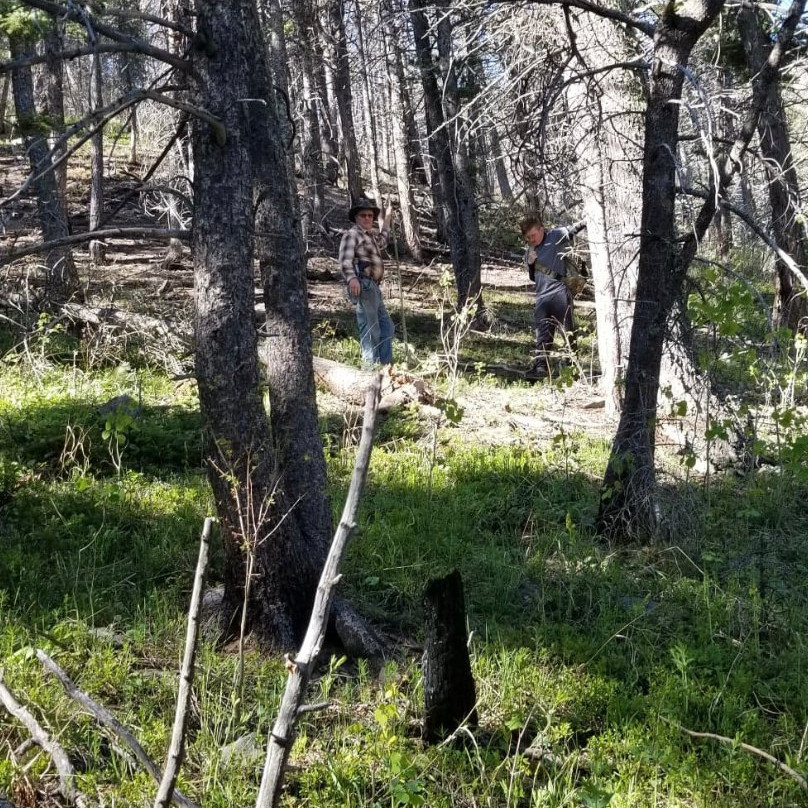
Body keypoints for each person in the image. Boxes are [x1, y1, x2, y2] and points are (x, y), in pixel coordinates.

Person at [520, 214, 586, 381]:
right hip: (542, 297)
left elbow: (573, 229)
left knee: (568, 333)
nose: (531, 239)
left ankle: (573, 369)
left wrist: (588, 219)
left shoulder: (555, 236)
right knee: (542, 335)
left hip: (560, 294)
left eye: (533, 235)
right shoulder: (530, 251)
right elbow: (533, 277)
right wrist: (530, 264)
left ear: (541, 229)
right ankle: (541, 369)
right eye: (528, 237)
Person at [339, 197, 395, 367]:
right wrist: (352, 279)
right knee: (371, 329)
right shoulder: (352, 235)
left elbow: (384, 240)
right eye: (363, 215)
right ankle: (370, 368)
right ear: (356, 218)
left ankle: (386, 367)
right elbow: (345, 261)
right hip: (363, 284)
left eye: (370, 215)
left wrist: (387, 219)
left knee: (387, 328)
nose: (367, 218)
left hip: (374, 287)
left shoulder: (370, 236)